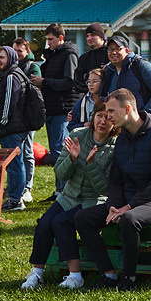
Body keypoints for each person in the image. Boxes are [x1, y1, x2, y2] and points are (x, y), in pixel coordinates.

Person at [22, 98, 118, 290]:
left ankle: (75, 275)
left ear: (114, 123)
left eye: (108, 118)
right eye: (99, 116)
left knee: (62, 222)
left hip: (93, 200)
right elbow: (60, 173)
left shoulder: (114, 148)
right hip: (69, 196)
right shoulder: (78, 135)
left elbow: (104, 189)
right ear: (93, 117)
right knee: (44, 223)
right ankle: (37, 273)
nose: (102, 122)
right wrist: (72, 159)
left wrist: (91, 165)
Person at [99, 87, 151, 288]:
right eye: (106, 112)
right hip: (127, 202)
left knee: (129, 219)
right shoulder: (122, 139)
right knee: (83, 218)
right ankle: (108, 274)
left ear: (127, 108)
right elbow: (115, 179)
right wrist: (114, 205)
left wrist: (128, 207)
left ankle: (129, 277)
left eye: (111, 111)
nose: (108, 117)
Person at [0, 45, 47, 211]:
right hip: (15, 127)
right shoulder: (14, 74)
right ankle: (16, 197)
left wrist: (2, 122)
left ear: (11, 58)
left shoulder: (11, 76)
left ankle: (16, 199)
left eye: (2, 57)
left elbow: (9, 103)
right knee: (16, 163)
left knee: (15, 164)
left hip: (12, 128)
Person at [98, 34, 151, 123]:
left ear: (127, 50)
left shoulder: (139, 65)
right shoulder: (109, 70)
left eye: (117, 48)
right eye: (110, 49)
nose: (113, 52)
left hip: (140, 124)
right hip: (118, 123)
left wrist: (145, 114)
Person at [35, 26, 77, 167]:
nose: (48, 43)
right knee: (55, 150)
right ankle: (60, 187)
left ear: (60, 38)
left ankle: (63, 188)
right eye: (47, 40)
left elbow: (69, 82)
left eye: (51, 39)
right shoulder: (51, 56)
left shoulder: (69, 54)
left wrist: (45, 82)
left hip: (63, 108)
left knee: (60, 150)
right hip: (51, 108)